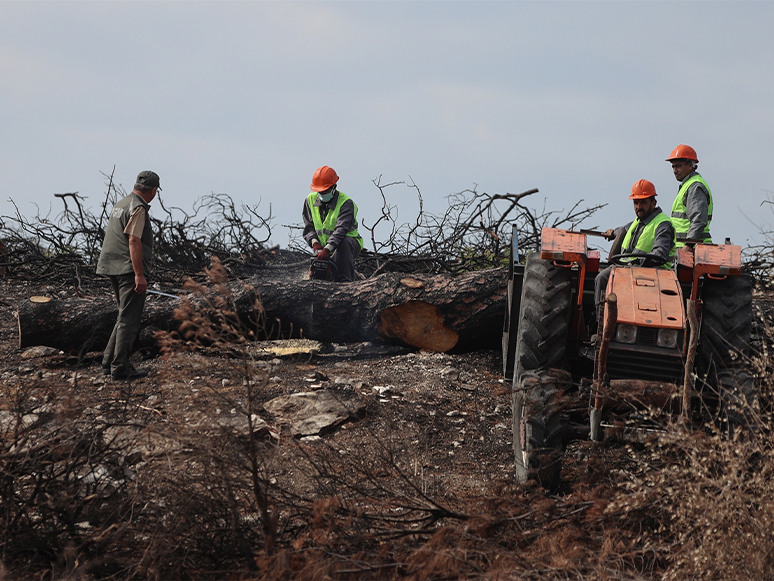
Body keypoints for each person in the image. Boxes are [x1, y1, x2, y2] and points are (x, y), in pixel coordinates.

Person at [96, 170, 160, 380]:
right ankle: (120, 366)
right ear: (153, 190)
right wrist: (139, 275)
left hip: (111, 266)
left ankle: (108, 362)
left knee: (123, 315)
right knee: (129, 320)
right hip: (127, 269)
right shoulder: (138, 207)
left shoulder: (121, 204)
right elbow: (134, 241)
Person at [594, 179, 676, 307]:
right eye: (636, 203)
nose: (638, 207)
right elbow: (624, 230)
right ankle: (601, 318)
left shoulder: (663, 225)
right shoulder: (638, 221)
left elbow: (660, 254)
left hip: (651, 271)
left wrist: (636, 262)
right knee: (602, 277)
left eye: (643, 202)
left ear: (653, 203)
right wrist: (613, 232)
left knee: (606, 278)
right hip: (629, 267)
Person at [302, 165, 363, 282]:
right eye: (320, 191)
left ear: (334, 187)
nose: (322, 193)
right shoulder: (310, 200)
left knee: (344, 244)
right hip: (324, 246)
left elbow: (341, 229)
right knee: (320, 269)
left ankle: (345, 282)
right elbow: (308, 227)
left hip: (348, 244)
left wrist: (327, 249)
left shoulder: (345, 203)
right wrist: (315, 244)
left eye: (325, 191)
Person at [666, 144, 712, 247]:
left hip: (694, 251)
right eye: (673, 167)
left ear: (690, 166)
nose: (675, 170)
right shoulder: (688, 186)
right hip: (686, 249)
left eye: (678, 166)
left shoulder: (695, 187)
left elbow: (698, 220)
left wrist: (689, 245)